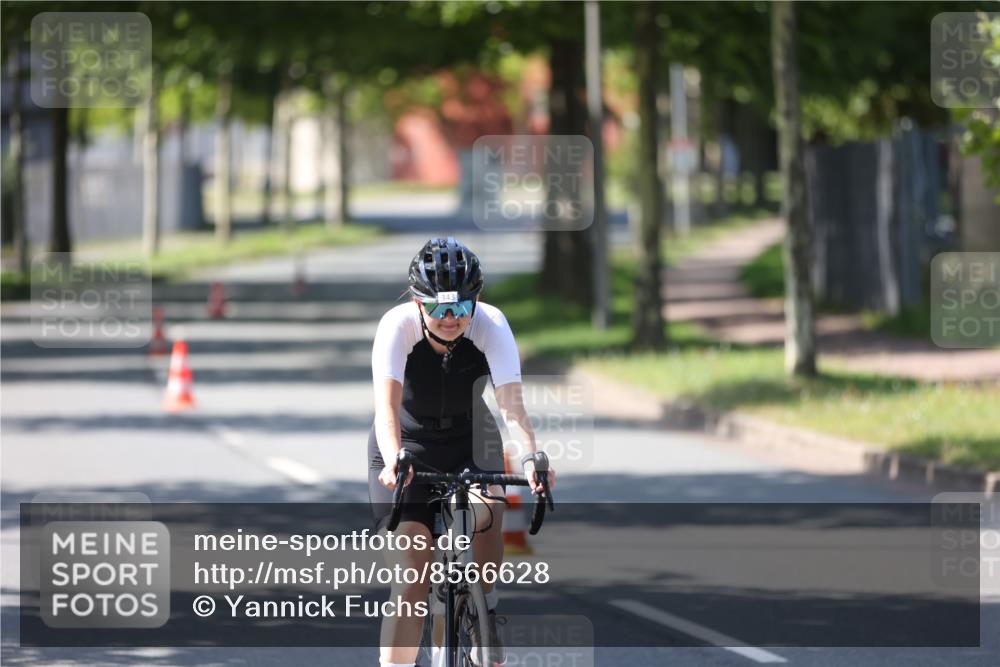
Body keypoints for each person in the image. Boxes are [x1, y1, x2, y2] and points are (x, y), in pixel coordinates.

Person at [368, 237, 555, 667]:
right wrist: (395, 458)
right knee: (411, 578)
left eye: (461, 307)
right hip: (406, 445)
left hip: (471, 438)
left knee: (488, 509)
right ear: (417, 303)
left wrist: (531, 458)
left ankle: (484, 605)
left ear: (477, 301)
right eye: (437, 308)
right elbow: (386, 410)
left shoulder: (491, 324)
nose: (450, 318)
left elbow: (512, 407)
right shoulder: (396, 326)